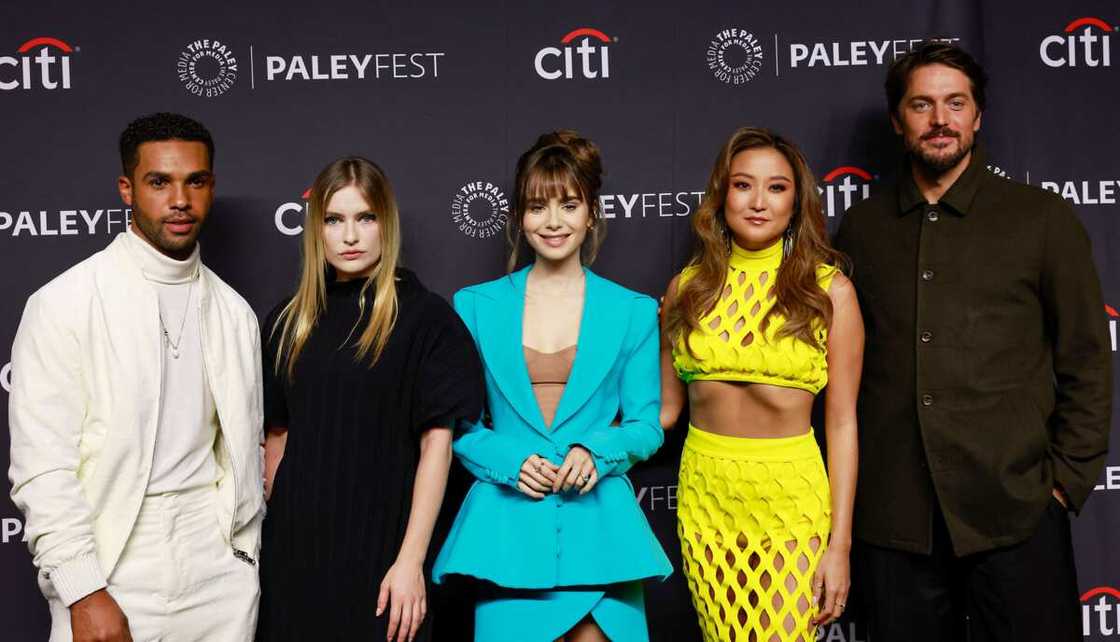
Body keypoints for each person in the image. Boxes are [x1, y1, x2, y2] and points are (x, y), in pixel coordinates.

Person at [834, 41, 1111, 641]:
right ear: (896, 119)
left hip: (1015, 510)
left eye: (955, 103)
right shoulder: (862, 227)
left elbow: (1088, 358)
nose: (940, 120)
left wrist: (1063, 484)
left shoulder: (1042, 219)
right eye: (922, 105)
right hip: (895, 516)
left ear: (978, 115)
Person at [8, 112, 264, 641]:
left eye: (195, 181)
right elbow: (42, 468)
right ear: (127, 189)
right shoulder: (63, 304)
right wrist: (83, 589)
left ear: (211, 186)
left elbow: (237, 450)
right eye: (159, 182)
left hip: (218, 574)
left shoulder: (235, 314)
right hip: (113, 566)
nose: (180, 200)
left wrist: (241, 561)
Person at [432, 130, 672, 642]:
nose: (554, 222)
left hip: (602, 533)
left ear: (592, 213)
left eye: (569, 205)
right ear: (520, 215)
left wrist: (598, 448)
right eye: (538, 207)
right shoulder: (475, 306)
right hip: (507, 533)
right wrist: (511, 461)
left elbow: (646, 425)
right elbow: (460, 426)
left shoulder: (632, 310)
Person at [256, 156, 485, 642]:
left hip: (385, 561)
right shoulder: (285, 321)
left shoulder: (426, 319)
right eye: (335, 220)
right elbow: (276, 436)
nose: (350, 236)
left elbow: (437, 448)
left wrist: (410, 562)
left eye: (365, 218)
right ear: (317, 229)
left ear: (387, 223)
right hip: (295, 563)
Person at [660, 127, 862, 642]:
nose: (757, 201)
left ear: (796, 203)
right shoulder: (685, 289)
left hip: (790, 496)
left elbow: (841, 424)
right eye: (742, 185)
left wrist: (839, 547)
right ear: (721, 195)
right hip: (707, 492)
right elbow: (662, 412)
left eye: (776, 188)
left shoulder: (829, 291)